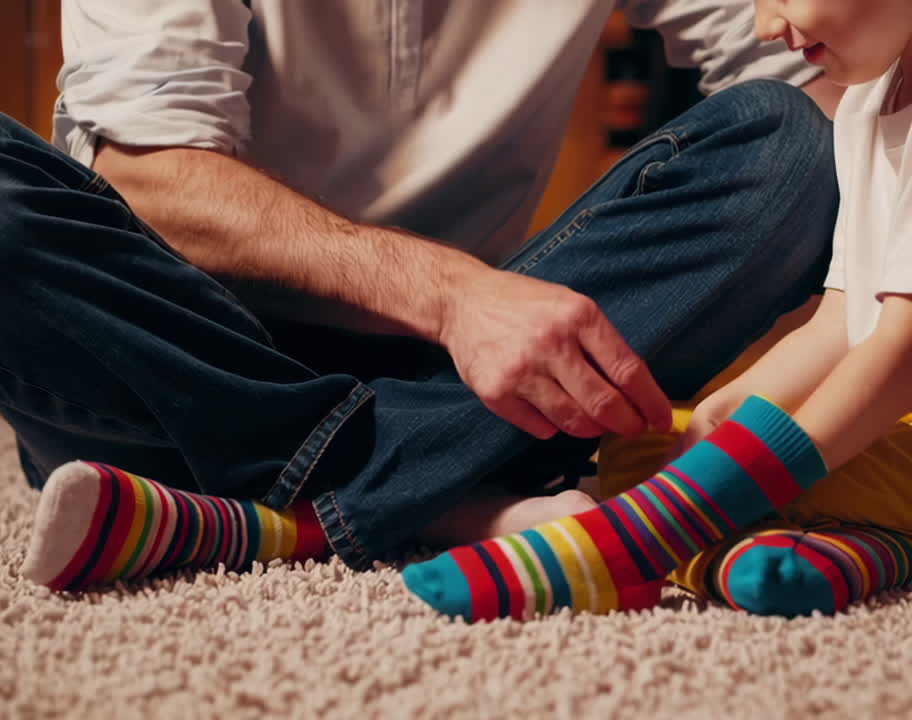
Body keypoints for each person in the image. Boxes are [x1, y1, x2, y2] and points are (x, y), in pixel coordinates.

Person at [399, 0, 912, 621]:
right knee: (647, 450)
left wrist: (703, 490)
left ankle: (630, 552)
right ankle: (868, 555)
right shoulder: (873, 97)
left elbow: (908, 351)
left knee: (683, 483)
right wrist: (712, 422)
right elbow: (840, 322)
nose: (762, 21)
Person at [9, 1, 850, 590]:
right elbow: (150, 176)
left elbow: (808, 63)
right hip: (180, 362)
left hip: (480, 378)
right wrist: (452, 295)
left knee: (795, 147)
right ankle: (432, 496)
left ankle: (295, 503)